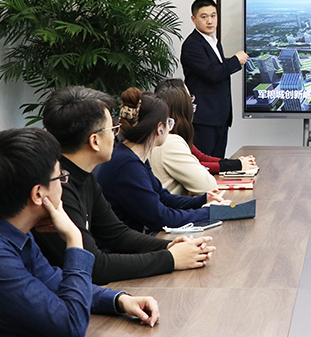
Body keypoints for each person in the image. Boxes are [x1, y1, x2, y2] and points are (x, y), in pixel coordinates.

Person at [0, 128, 159, 337]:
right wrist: (74, 239)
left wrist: (118, 300)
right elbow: (71, 324)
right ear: (38, 194)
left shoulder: (3, 224)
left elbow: (52, 281)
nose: (64, 183)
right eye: (60, 177)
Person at [34, 86, 214, 284]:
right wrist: (170, 259)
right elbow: (94, 266)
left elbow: (118, 235)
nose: (116, 136)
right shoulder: (56, 188)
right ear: (95, 141)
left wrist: (169, 246)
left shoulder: (84, 176)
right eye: (112, 129)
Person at [97, 87, 229, 233]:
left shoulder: (131, 156)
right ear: (160, 128)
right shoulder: (127, 165)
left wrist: (203, 200)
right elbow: (163, 219)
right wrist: (209, 212)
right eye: (169, 123)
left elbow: (164, 198)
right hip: (125, 244)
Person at [152, 78, 256, 190]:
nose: (193, 102)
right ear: (182, 106)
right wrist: (237, 165)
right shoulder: (170, 142)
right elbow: (204, 181)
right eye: (189, 98)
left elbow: (201, 158)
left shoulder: (168, 136)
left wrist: (237, 163)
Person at [181, 0, 249, 158]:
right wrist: (235, 61)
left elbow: (217, 70)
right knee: (204, 164)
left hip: (219, 118)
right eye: (204, 17)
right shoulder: (192, 45)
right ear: (194, 19)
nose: (210, 21)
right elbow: (211, 73)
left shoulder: (213, 41)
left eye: (213, 16)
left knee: (218, 164)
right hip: (204, 119)